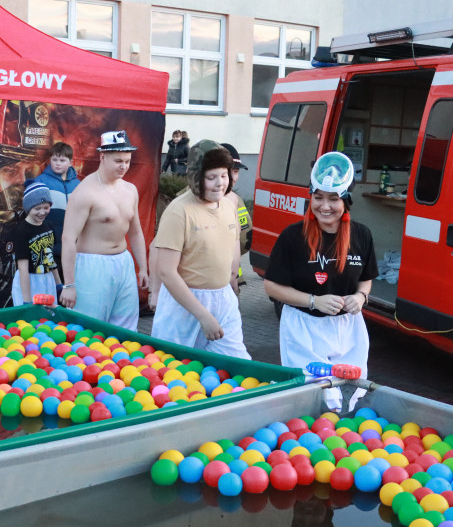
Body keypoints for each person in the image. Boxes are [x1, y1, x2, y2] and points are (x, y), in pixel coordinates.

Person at [264, 152, 377, 412]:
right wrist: (314, 301)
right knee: (313, 400)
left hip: (349, 329)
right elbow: (271, 287)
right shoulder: (292, 236)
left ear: (346, 200)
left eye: (333, 199)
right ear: (310, 197)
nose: (325, 206)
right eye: (318, 198)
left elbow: (366, 280)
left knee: (352, 394)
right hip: (303, 329)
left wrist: (360, 298)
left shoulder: (362, 235)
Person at [150, 140, 249, 358]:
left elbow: (231, 249)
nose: (219, 183)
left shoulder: (229, 205)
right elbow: (166, 271)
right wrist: (203, 315)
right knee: (174, 371)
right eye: (211, 177)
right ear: (196, 177)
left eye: (223, 176)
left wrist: (231, 283)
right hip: (183, 306)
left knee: (236, 366)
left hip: (223, 300)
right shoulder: (179, 211)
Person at [59, 130, 149, 330]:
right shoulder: (85, 192)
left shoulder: (130, 190)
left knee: (126, 327)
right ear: (102, 157)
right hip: (92, 266)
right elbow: (68, 239)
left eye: (127, 160)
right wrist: (69, 284)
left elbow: (135, 231)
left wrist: (142, 268)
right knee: (89, 329)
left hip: (123, 263)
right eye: (118, 161)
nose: (124, 166)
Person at [26, 141, 78, 281]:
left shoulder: (78, 185)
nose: (58, 163)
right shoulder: (41, 181)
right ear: (50, 160)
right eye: (54, 159)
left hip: (72, 246)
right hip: (48, 244)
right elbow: (31, 213)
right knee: (50, 283)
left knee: (70, 282)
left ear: (71, 162)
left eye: (62, 160)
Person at [12, 182, 59, 306]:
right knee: (30, 322)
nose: (42, 212)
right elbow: (23, 268)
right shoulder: (22, 231)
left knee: (48, 319)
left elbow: (50, 258)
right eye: (37, 208)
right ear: (28, 208)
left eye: (46, 207)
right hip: (30, 280)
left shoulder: (48, 225)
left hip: (47, 279)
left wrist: (58, 283)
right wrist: (26, 300)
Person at [220, 142, 252, 286]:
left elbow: (243, 236)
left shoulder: (235, 199)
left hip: (233, 278)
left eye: (236, 172)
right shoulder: (195, 202)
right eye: (230, 171)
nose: (234, 177)